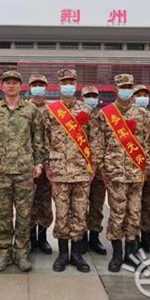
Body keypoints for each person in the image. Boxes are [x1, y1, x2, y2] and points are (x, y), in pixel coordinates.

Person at [0, 71, 45, 272]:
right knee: (3, 214)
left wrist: (38, 163)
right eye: (7, 83)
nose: (11, 86)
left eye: (15, 83)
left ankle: (22, 252)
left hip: (24, 170)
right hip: (0, 170)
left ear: (21, 86)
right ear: (2, 87)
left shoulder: (30, 110)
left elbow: (38, 139)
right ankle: (4, 252)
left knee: (24, 214)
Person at [91, 74, 150, 272]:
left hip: (136, 172)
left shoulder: (142, 114)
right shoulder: (105, 114)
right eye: (123, 86)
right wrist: (102, 168)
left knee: (134, 214)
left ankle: (131, 254)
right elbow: (98, 144)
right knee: (117, 214)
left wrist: (146, 166)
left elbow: (149, 143)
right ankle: (117, 254)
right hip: (115, 173)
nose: (126, 90)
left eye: (129, 86)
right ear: (115, 89)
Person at [42, 69, 94, 273]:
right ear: (59, 86)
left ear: (76, 84)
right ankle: (63, 254)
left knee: (80, 213)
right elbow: (44, 140)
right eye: (65, 82)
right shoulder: (50, 111)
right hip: (59, 171)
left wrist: (94, 166)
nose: (68, 85)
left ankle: (77, 254)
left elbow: (95, 141)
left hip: (81, 170)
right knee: (62, 214)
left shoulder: (87, 110)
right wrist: (47, 165)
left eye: (71, 82)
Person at [132, 84, 150, 254]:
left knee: (149, 205)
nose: (142, 98)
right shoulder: (125, 118)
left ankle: (147, 237)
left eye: (145, 95)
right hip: (133, 170)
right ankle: (133, 238)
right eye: (138, 95)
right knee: (133, 205)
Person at [27, 73, 53, 254]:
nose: (38, 88)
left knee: (44, 201)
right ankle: (30, 237)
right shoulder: (22, 109)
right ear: (29, 88)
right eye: (35, 85)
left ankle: (43, 238)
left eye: (41, 85)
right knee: (28, 202)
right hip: (27, 163)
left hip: (48, 164)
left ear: (46, 88)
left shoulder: (53, 110)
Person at [80, 85, 107, 255]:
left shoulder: (103, 116)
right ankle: (81, 238)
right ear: (82, 98)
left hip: (100, 170)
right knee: (80, 205)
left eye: (94, 96)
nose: (91, 98)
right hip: (82, 169)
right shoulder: (76, 115)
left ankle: (95, 238)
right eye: (88, 96)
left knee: (97, 205)